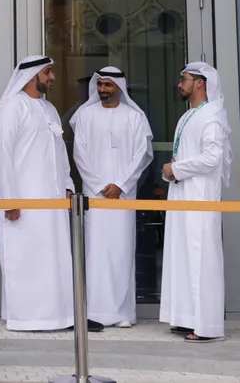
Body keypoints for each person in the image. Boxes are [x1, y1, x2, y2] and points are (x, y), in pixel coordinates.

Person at [0, 56, 100, 332]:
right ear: (32, 75)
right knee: (26, 257)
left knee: (56, 259)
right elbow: (2, 156)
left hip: (52, 200)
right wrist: (10, 200)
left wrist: (68, 185)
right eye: (48, 72)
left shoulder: (49, 109)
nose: (53, 77)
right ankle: (28, 317)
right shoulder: (11, 108)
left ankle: (63, 316)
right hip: (23, 201)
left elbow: (60, 154)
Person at [69, 67, 154, 328]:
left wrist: (120, 184)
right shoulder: (84, 115)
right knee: (95, 252)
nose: (103, 90)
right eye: (100, 85)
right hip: (95, 197)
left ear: (119, 87)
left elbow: (142, 155)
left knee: (121, 251)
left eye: (108, 85)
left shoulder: (134, 117)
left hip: (123, 197)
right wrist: (98, 185)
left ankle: (122, 313)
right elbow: (79, 154)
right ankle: (94, 311)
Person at [160, 61, 232, 343]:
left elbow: (212, 159)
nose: (180, 84)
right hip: (182, 195)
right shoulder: (189, 116)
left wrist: (176, 170)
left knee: (201, 259)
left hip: (200, 198)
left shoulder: (212, 116)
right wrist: (173, 170)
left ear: (200, 83)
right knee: (182, 256)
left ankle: (207, 326)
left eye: (184, 79)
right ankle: (186, 318)